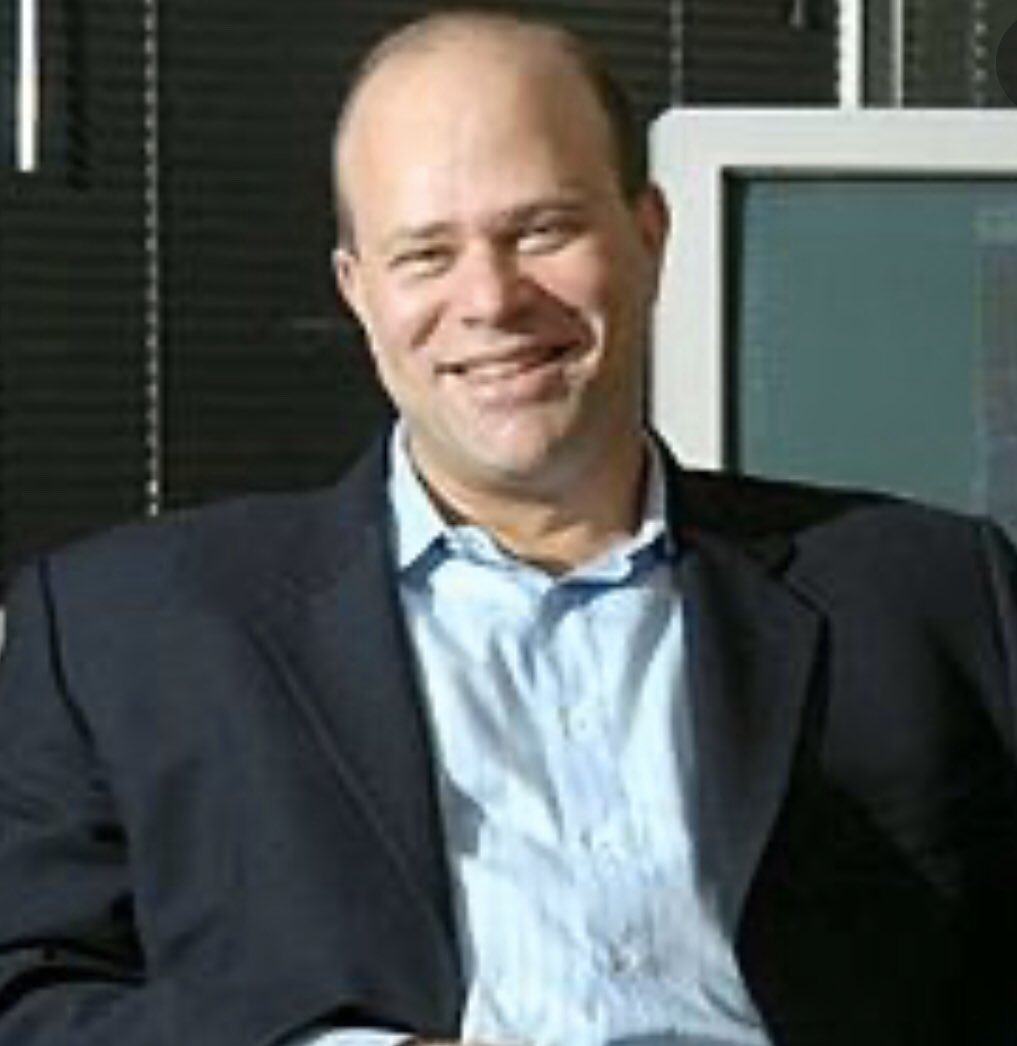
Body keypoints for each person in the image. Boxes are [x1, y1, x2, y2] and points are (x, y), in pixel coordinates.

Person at [0, 9, 1015, 1046]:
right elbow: (29, 998)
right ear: (358, 290)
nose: (490, 298)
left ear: (649, 235)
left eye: (542, 231)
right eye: (425, 253)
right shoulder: (124, 632)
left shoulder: (932, 597)